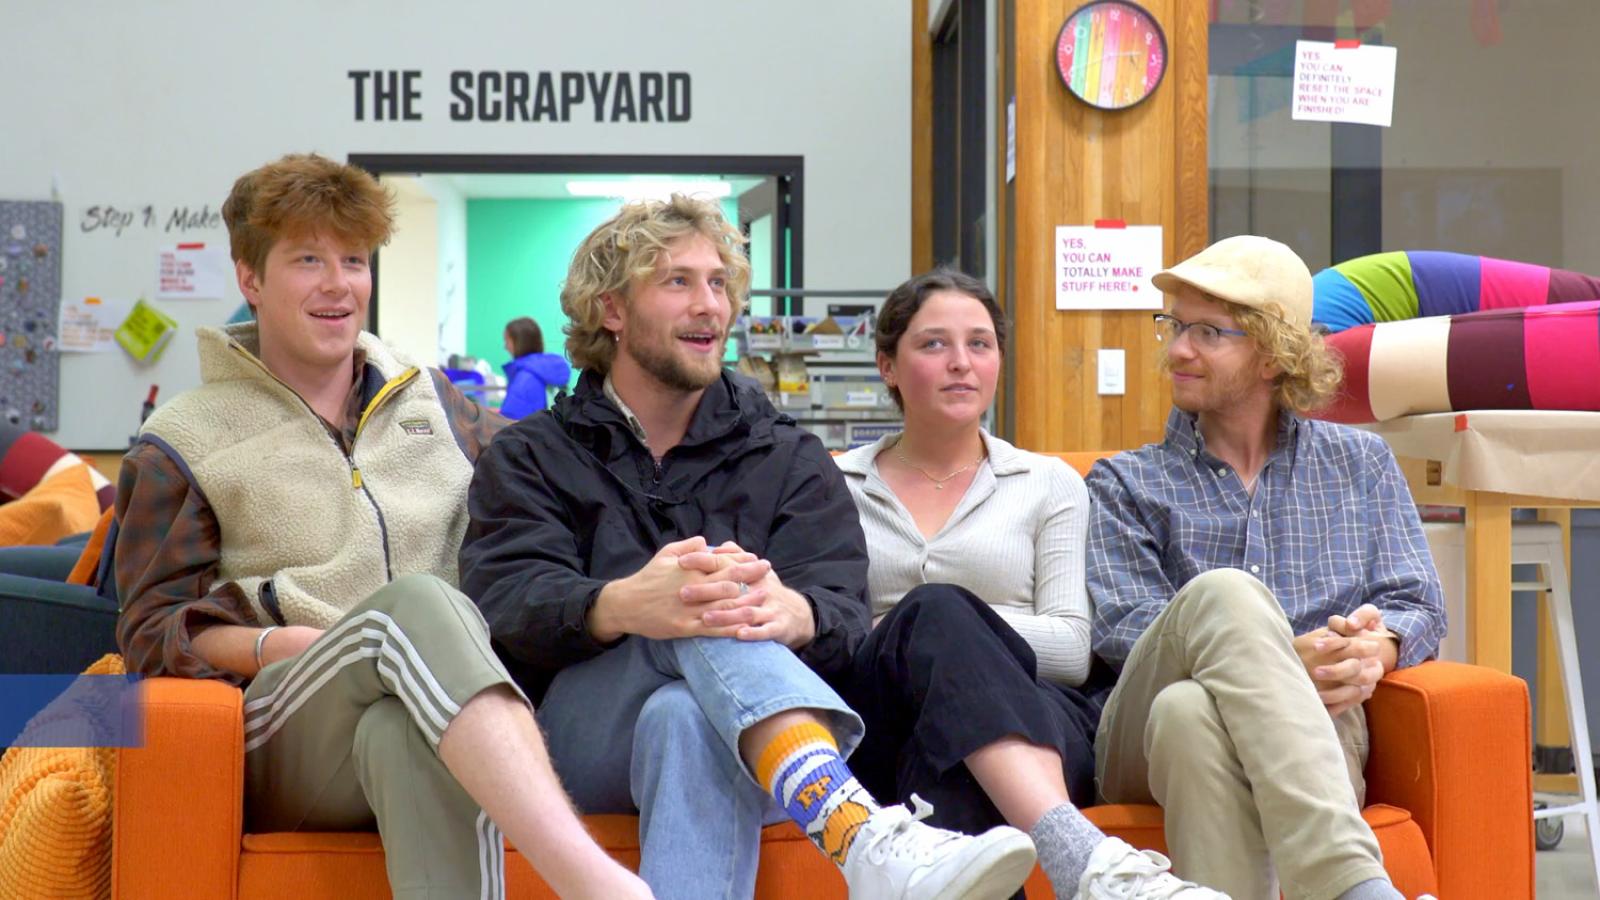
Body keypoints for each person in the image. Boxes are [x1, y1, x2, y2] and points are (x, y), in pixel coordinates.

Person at [459, 196, 1037, 900]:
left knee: (683, 713)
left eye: (719, 284)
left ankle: (848, 824)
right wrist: (618, 605)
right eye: (677, 282)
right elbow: (500, 606)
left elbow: (846, 614)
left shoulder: (788, 456)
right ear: (611, 310)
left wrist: (798, 614)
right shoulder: (531, 454)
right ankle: (858, 832)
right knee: (704, 604)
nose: (710, 306)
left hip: (757, 750)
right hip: (576, 741)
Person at [113, 153, 650, 900]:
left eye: (355, 261)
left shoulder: (435, 401)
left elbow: (551, 485)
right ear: (250, 279)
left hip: (433, 704)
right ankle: (593, 882)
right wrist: (278, 644)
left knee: (401, 735)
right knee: (425, 603)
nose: (339, 285)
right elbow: (152, 630)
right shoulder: (183, 440)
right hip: (289, 715)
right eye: (308, 260)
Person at [835, 269, 1222, 900]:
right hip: (876, 716)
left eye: (981, 344)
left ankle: (1063, 848)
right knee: (932, 616)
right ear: (888, 365)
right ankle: (1082, 858)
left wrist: (947, 634)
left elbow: (1073, 649)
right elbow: (831, 636)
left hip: (1038, 712)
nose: (961, 363)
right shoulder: (836, 486)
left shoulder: (1049, 483)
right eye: (934, 344)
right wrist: (923, 631)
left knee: (951, 756)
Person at [1085, 235, 1448, 900]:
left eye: (1206, 332)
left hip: (1274, 721)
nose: (1177, 350)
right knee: (1224, 595)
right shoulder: (1127, 481)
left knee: (1190, 713)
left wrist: (1377, 648)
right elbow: (1122, 629)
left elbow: (1418, 601)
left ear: (1273, 354)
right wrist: (1279, 657)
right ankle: (1353, 884)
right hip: (1132, 743)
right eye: (1173, 325)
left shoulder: (1361, 466)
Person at [500, 316, 571, 417]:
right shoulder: (546, 370)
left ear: (519, 342)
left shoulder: (525, 378)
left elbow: (511, 423)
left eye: (507, 341)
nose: (505, 347)